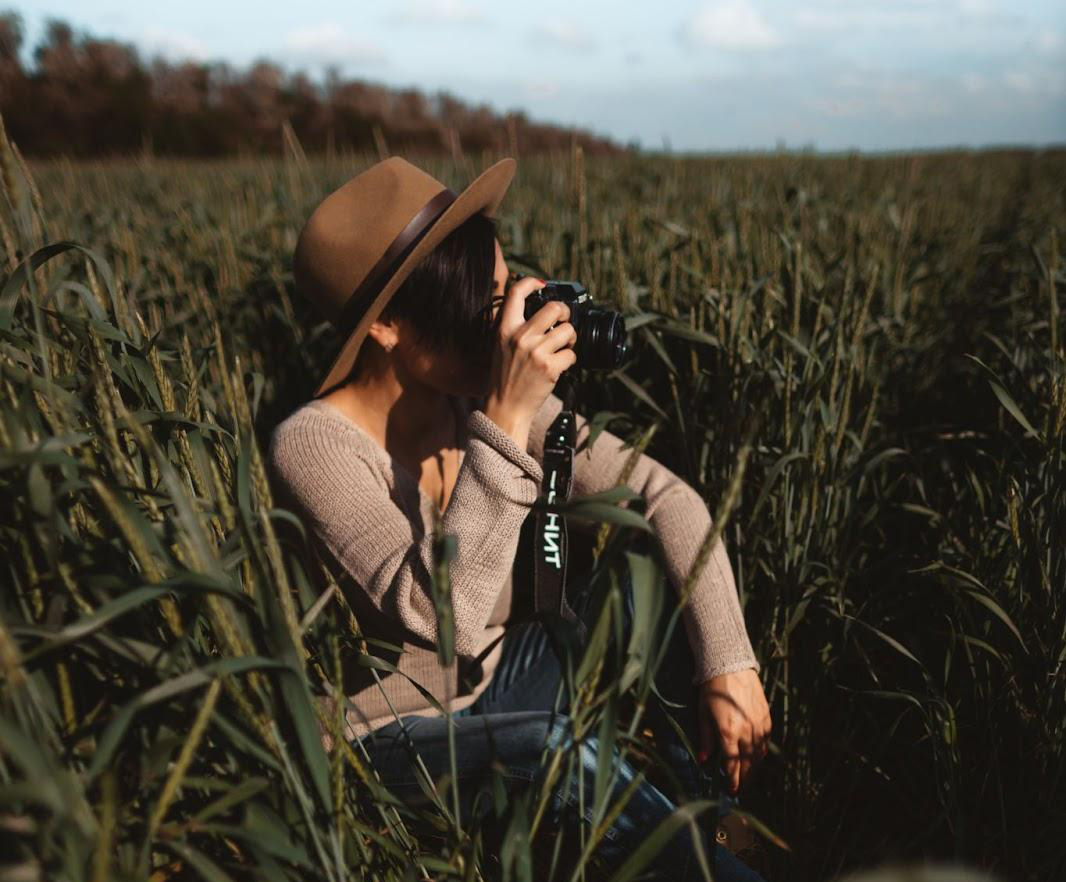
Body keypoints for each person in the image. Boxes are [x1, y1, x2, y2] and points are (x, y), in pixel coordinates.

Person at [268, 156, 773, 880]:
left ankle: (704, 811)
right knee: (553, 751)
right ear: (385, 325)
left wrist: (730, 666)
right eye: (479, 307)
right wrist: (505, 419)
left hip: (510, 678)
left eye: (504, 293)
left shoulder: (470, 393)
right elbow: (440, 623)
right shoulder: (312, 446)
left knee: (646, 573)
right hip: (391, 741)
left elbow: (667, 499)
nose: (502, 325)